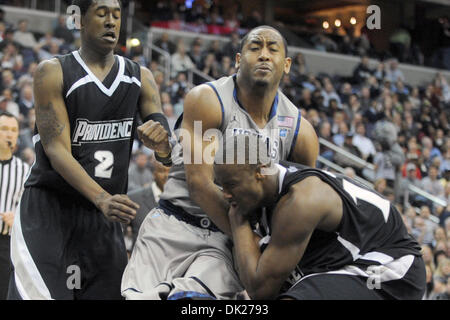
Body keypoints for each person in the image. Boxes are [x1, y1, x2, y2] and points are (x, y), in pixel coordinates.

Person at [122, 25, 319, 300]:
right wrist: (250, 243)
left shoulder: (301, 132)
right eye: (255, 47)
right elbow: (200, 185)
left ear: (286, 65)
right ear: (238, 60)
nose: (264, 55)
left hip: (225, 241)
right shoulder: (207, 99)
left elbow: (299, 205)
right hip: (175, 223)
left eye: (272, 49)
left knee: (194, 301)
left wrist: (269, 253)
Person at [8, 0, 172, 300]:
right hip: (51, 212)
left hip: (102, 219)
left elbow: (165, 144)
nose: (111, 21)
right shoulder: (53, 72)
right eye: (101, 13)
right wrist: (102, 198)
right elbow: (57, 152)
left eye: (116, 15)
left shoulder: (141, 76)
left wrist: (163, 144)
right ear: (80, 21)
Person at [214, 135, 426, 300]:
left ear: (260, 171)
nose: (225, 194)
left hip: (392, 268)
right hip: (346, 261)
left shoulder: (301, 201)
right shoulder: (268, 192)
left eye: (231, 185)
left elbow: (260, 291)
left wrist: (238, 221)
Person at [0, 111, 29, 299]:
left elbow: (28, 210)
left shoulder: (24, 170)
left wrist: (16, 218)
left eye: (13, 130)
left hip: (6, 243)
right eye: (4, 129)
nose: (9, 134)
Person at [127, 155, 170, 245]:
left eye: (171, 172)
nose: (167, 176)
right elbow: (120, 234)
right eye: (162, 171)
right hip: (141, 256)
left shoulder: (183, 199)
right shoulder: (133, 198)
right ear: (154, 174)